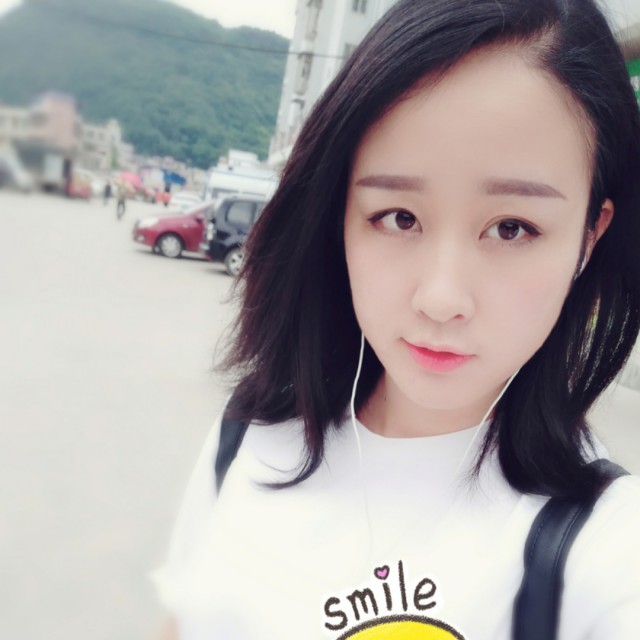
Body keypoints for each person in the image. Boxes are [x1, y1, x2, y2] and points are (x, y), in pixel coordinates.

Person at [153, 1, 640, 638]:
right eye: (399, 218)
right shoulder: (249, 434)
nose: (441, 298)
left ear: (589, 236)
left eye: (512, 228)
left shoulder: (601, 551)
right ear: (339, 216)